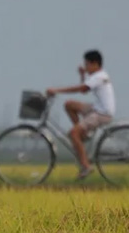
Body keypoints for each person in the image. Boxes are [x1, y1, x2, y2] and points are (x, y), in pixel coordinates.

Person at [46, 50, 115, 180]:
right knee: (69, 105)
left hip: (101, 114)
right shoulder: (98, 76)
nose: (85, 67)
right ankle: (82, 135)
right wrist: (83, 75)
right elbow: (84, 90)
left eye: (87, 64)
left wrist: (56, 90)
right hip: (96, 109)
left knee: (73, 134)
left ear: (95, 64)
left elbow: (81, 89)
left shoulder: (99, 77)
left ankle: (85, 166)